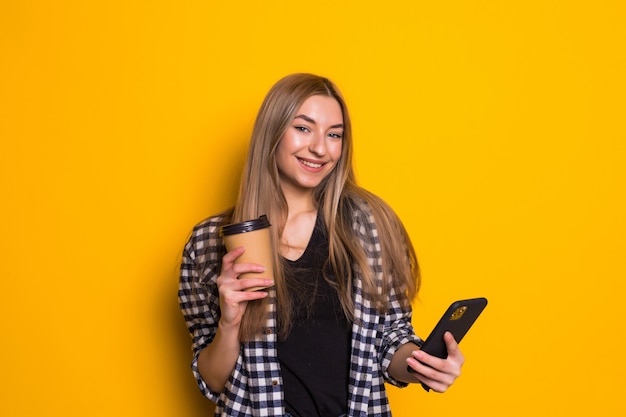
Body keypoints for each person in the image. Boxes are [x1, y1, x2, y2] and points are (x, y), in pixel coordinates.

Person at [179, 73, 464, 416]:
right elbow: (213, 381)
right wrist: (229, 322)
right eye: (303, 128)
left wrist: (424, 365)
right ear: (272, 132)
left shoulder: (370, 226)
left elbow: (390, 340)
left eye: (334, 135)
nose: (319, 148)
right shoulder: (210, 242)